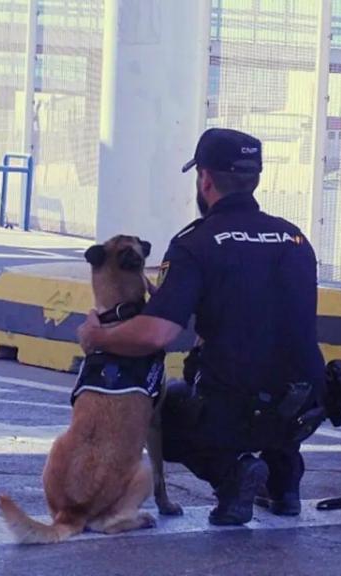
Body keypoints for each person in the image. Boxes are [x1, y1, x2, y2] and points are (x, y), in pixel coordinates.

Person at [77, 127, 327, 526]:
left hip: (239, 406)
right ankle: (283, 481)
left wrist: (97, 336)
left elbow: (155, 334)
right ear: (255, 179)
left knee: (169, 410)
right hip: (307, 405)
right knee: (277, 378)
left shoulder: (197, 242)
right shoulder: (295, 237)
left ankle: (234, 478)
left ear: (205, 179)